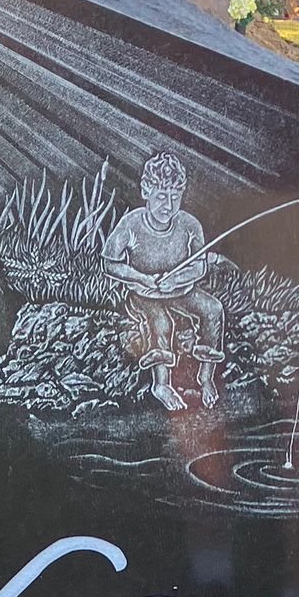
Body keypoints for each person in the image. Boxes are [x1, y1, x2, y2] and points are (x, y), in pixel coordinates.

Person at [103, 152, 226, 412]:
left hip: (180, 291)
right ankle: (161, 384)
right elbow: (110, 262)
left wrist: (178, 280)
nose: (168, 206)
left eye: (175, 197)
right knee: (161, 321)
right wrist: (142, 278)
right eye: (161, 197)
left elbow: (199, 264)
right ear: (146, 191)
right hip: (144, 293)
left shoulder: (189, 225)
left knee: (213, 310)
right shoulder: (131, 224)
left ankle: (206, 376)